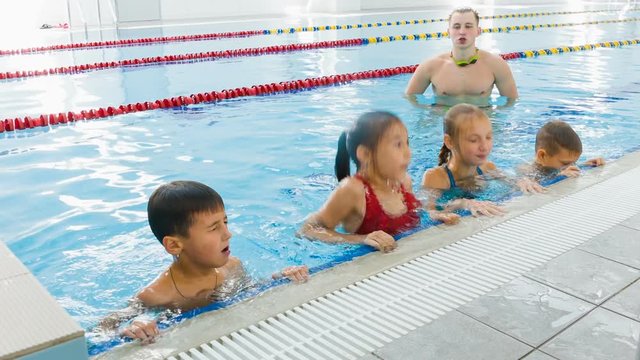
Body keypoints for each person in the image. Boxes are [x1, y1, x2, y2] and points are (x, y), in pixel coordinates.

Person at [100, 180, 309, 344]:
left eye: (225, 222)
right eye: (213, 228)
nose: (228, 234)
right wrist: (133, 329)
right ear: (174, 245)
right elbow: (104, 328)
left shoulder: (232, 267)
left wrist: (279, 279)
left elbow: (251, 293)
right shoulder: (156, 295)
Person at [300, 111, 432, 252]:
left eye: (407, 143)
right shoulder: (353, 190)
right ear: (365, 154)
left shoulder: (404, 182)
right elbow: (307, 230)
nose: (408, 152)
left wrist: (435, 214)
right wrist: (362, 239)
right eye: (398, 145)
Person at [405, 7, 518, 102]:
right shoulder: (430, 66)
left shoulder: (496, 65)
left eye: (468, 26)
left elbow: (511, 101)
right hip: (443, 124)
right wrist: (430, 115)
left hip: (481, 124)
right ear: (448, 32)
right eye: (456, 26)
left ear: (478, 31)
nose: (462, 31)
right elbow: (410, 98)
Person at [421, 103, 510, 216]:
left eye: (488, 137)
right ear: (450, 142)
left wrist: (522, 182)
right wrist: (462, 203)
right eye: (473, 140)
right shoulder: (436, 178)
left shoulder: (488, 168)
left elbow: (512, 182)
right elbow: (430, 212)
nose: (484, 146)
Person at [524, 120, 605, 180]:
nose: (571, 166)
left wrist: (585, 165)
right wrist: (559, 177)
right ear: (542, 156)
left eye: (574, 162)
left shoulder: (556, 161)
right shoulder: (530, 171)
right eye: (565, 163)